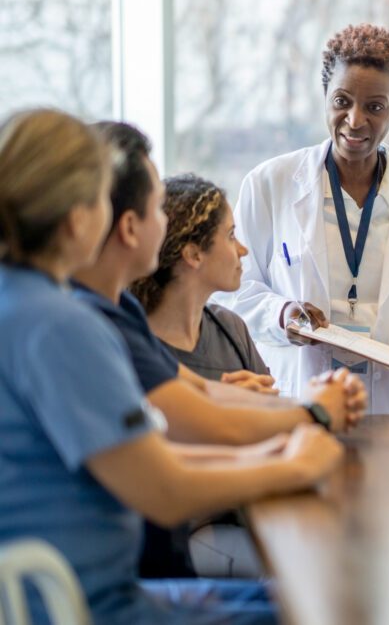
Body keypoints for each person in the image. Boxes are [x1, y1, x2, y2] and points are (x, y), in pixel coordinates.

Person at [0, 108, 345, 624]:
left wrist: (272, 451)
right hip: (91, 607)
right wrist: (294, 463)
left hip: (81, 593)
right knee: (322, 607)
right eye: (103, 199)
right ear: (78, 220)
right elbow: (163, 490)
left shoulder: (25, 302)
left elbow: (151, 456)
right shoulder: (60, 325)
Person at [74, 121, 365, 579]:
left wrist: (287, 433)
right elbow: (173, 462)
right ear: (130, 226)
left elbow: (198, 403)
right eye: (158, 209)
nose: (166, 222)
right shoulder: (82, 324)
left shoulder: (115, 315)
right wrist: (309, 422)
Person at [221, 23, 389, 412]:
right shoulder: (269, 185)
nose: (354, 120)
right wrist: (281, 314)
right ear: (325, 99)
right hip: (302, 395)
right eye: (342, 101)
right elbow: (232, 292)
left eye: (375, 106)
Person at [132, 174, 273, 390]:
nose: (243, 250)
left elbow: (274, 413)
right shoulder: (133, 344)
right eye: (231, 235)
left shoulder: (231, 328)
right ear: (194, 255)